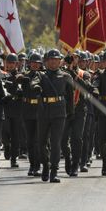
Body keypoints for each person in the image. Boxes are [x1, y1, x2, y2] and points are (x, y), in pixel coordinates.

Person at [32, 49, 74, 183]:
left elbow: (70, 96)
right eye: (51, 59)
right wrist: (36, 87)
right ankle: (45, 165)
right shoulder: (41, 75)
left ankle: (54, 171)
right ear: (46, 61)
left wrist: (70, 113)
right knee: (42, 142)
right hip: (43, 111)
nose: (53, 62)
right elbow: (34, 82)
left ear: (60, 61)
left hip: (59, 112)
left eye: (56, 59)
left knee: (56, 142)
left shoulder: (65, 76)